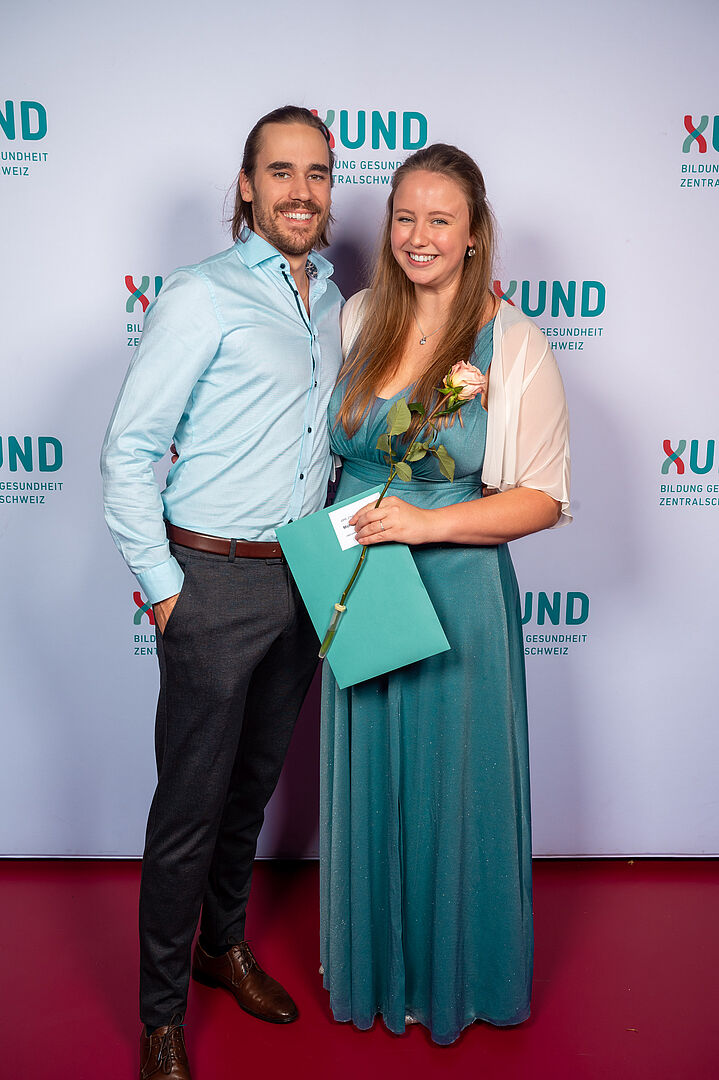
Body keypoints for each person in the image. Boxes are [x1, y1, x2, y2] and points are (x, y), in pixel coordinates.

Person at [101, 105, 342, 1079]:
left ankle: (222, 946)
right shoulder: (201, 295)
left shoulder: (334, 299)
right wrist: (166, 591)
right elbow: (127, 451)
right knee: (189, 808)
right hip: (210, 577)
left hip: (304, 574)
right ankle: (161, 1017)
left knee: (250, 789)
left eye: (316, 173)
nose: (299, 191)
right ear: (246, 186)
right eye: (279, 172)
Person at [320, 143, 570, 1045]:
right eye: (404, 217)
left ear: (472, 235)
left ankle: (454, 976)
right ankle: (373, 969)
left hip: (456, 590)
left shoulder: (515, 342)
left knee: (450, 790)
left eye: (439, 220)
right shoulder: (356, 317)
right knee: (373, 781)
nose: (417, 236)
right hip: (357, 579)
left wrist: (425, 527)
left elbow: (542, 498)